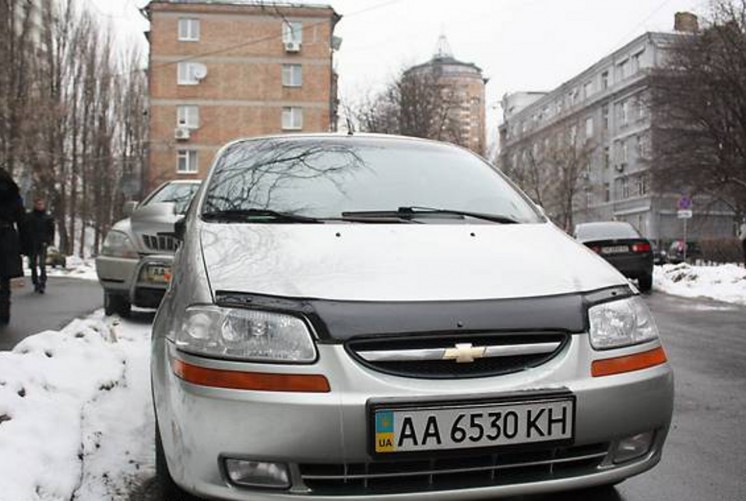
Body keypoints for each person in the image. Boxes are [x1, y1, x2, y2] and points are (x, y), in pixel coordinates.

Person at [0, 168, 25, 326]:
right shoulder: (12, 193)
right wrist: (25, 245)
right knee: (4, 278)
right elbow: (21, 219)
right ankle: (3, 312)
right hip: (7, 237)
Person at [25, 197, 55, 293]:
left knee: (42, 264)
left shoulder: (47, 217)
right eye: (38, 204)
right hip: (32, 243)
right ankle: (35, 282)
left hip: (43, 243)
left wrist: (49, 241)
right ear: (35, 205)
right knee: (33, 264)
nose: (40, 206)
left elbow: (51, 230)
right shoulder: (30, 217)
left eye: (41, 204)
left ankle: (42, 282)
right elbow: (25, 230)